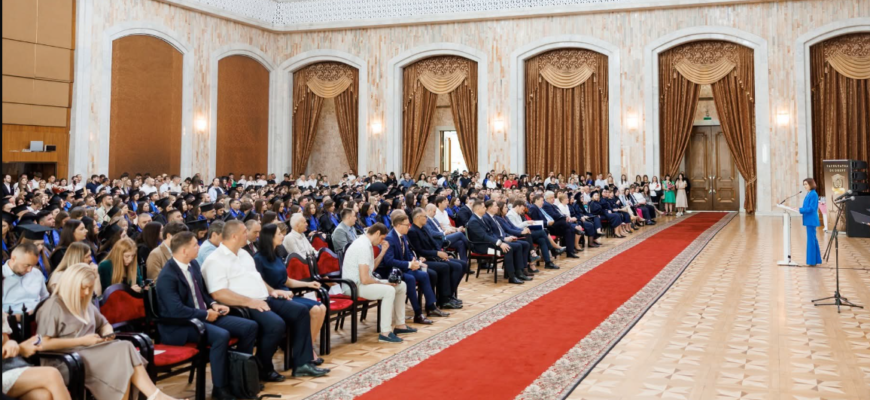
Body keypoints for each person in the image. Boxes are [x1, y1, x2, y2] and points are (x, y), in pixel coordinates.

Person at [201, 220, 329, 379]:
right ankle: (263, 366)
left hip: (263, 298)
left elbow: (257, 278)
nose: (248, 235)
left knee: (301, 311)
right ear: (234, 236)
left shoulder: (243, 254)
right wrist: (250, 302)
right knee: (275, 324)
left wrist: (273, 291)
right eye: (244, 232)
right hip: (241, 305)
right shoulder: (215, 260)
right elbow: (218, 294)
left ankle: (302, 363)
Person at [37, 264, 180, 400]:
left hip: (89, 352)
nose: (86, 292)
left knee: (124, 349)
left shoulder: (84, 302)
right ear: (71, 285)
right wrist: (82, 341)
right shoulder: (53, 306)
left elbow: (104, 324)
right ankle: (156, 396)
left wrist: (107, 333)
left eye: (89, 288)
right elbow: (43, 344)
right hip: (65, 361)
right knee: (122, 353)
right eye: (83, 288)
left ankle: (155, 395)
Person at [156, 231, 258, 400]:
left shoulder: (193, 264)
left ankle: (238, 378)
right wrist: (205, 314)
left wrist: (213, 305)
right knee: (221, 336)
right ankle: (220, 388)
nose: (199, 247)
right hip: (181, 325)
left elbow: (202, 293)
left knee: (249, 327)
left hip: (202, 316)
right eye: (195, 245)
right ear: (184, 251)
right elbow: (176, 311)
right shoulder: (167, 276)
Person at [253, 224, 326, 364]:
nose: (282, 236)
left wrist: (308, 284)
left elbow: (287, 281)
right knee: (315, 310)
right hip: (274, 298)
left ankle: (307, 348)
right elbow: (260, 283)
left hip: (287, 295)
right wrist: (274, 291)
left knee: (321, 307)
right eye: (279, 234)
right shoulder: (258, 259)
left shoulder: (277, 255)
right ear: (269, 237)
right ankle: (304, 351)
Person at [341, 223, 415, 343]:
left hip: (362, 283)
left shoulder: (367, 243)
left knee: (401, 285)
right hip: (353, 286)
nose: (382, 242)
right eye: (382, 238)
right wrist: (384, 284)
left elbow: (371, 269)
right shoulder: (362, 246)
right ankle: (385, 333)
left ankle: (400, 325)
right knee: (389, 290)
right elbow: (365, 279)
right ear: (377, 233)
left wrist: (383, 252)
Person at [380, 210, 449, 324]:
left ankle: (431, 306)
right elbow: (389, 261)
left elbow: (407, 253)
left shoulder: (403, 236)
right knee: (411, 279)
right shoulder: (390, 238)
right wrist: (409, 264)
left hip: (404, 268)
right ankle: (418, 313)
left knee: (424, 275)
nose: (409, 227)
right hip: (393, 271)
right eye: (406, 225)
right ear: (398, 225)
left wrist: (416, 261)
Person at [3, 311, 70, 400]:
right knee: (51, 374)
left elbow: (6, 344)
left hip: (10, 366)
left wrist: (12, 343)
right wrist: (20, 348)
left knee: (43, 396)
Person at [406, 208, 464, 309]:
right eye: (425, 217)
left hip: (434, 256)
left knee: (462, 264)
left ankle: (449, 295)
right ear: (418, 217)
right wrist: (437, 253)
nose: (427, 219)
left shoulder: (424, 227)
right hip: (426, 259)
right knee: (447, 267)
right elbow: (420, 251)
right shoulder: (413, 231)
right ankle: (444, 299)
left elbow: (434, 242)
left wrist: (442, 253)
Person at [467, 199, 527, 285]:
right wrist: (500, 243)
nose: (485, 208)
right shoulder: (473, 221)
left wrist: (501, 240)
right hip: (482, 247)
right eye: (483, 207)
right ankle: (511, 276)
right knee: (508, 248)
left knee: (517, 246)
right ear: (478, 209)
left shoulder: (480, 218)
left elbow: (491, 233)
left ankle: (519, 272)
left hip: (489, 243)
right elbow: (484, 236)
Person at [2, 243, 49, 314]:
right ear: (13, 258)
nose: (29, 270)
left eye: (33, 266)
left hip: (38, 315)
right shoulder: (3, 274)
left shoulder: (36, 273)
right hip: (11, 318)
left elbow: (45, 297)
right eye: (27, 265)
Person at [800, 178, 822, 266]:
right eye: (804, 184)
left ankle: (812, 261)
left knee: (811, 241)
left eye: (806, 184)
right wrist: (799, 209)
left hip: (811, 220)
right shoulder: (809, 193)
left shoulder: (813, 194)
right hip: (809, 219)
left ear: (811, 184)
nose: (805, 186)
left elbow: (812, 208)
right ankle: (816, 260)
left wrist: (800, 210)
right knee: (813, 240)